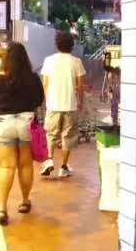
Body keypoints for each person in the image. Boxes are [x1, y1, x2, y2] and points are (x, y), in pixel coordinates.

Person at [0, 42, 44, 225]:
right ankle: (25, 201)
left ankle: (2, 208)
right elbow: (38, 100)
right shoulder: (33, 77)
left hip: (4, 123)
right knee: (25, 165)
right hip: (26, 122)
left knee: (6, 167)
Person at [39, 32, 86, 178]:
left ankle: (49, 159)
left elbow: (45, 83)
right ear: (72, 45)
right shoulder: (76, 61)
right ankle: (63, 167)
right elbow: (80, 86)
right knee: (68, 136)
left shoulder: (49, 60)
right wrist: (80, 102)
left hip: (53, 104)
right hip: (70, 104)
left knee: (51, 134)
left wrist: (48, 100)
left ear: (56, 44)